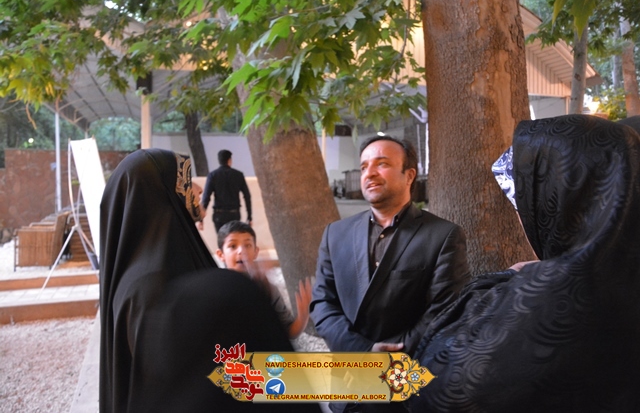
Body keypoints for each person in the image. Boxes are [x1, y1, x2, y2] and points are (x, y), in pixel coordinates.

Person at [410, 114, 640, 412]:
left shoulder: (539, 303)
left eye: (521, 204)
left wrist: (353, 375)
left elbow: (432, 385)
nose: (520, 219)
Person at [99, 149, 320, 413]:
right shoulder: (150, 286)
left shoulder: (159, 269)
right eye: (184, 182)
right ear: (160, 195)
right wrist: (245, 301)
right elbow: (193, 378)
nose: (196, 190)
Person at [310, 135, 471, 412]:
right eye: (364, 166)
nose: (369, 173)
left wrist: (390, 356)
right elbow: (322, 303)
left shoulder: (443, 236)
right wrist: (363, 352)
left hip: (405, 386)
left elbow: (444, 311)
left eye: (381, 164)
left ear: (409, 175)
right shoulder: (336, 234)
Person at [215, 220, 312, 339]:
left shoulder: (268, 289)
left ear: (256, 252)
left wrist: (302, 317)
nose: (241, 251)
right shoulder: (214, 290)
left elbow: (288, 332)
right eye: (233, 246)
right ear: (221, 255)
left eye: (247, 245)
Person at [201, 149, 252, 232]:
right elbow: (247, 196)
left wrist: (201, 218)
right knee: (233, 237)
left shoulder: (213, 175)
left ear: (219, 160)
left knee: (222, 238)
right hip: (234, 214)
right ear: (229, 160)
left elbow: (206, 197)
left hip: (219, 215)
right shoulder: (238, 175)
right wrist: (249, 216)